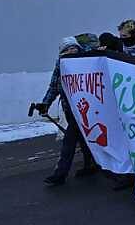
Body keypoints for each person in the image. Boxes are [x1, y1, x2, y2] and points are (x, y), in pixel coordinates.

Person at [39, 38, 101, 186]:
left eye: (74, 48)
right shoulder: (61, 65)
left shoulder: (85, 61)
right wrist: (45, 103)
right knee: (84, 139)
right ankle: (90, 165)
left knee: (69, 141)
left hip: (84, 109)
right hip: (70, 109)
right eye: (67, 49)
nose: (71, 51)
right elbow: (54, 86)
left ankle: (60, 174)